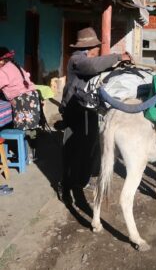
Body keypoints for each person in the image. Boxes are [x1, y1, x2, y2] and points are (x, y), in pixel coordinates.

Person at [58, 27, 132, 202]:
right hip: (74, 109)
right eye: (95, 46)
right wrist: (118, 57)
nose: (96, 49)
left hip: (87, 108)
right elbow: (92, 66)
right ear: (89, 46)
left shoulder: (85, 59)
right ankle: (65, 186)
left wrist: (118, 65)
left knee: (89, 145)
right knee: (72, 150)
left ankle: (81, 181)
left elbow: (97, 70)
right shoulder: (77, 60)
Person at [0, 47, 41, 131]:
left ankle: (23, 141)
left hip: (22, 99)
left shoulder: (3, 70)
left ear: (1, 61)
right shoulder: (14, 66)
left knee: (22, 127)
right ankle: (29, 141)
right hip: (31, 96)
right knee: (29, 126)